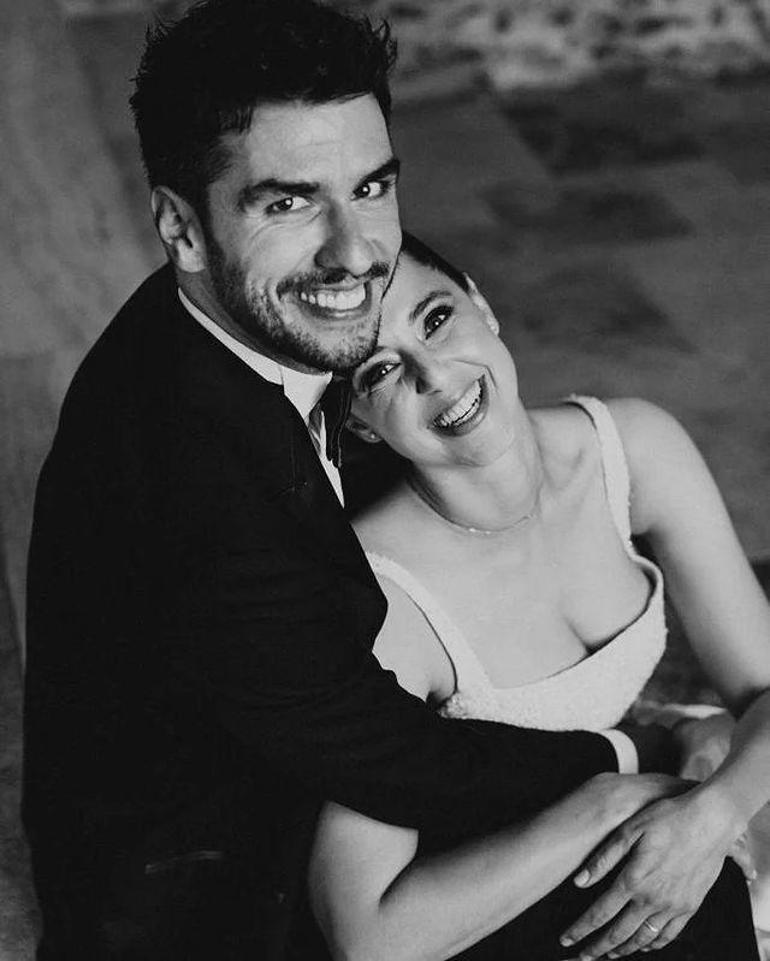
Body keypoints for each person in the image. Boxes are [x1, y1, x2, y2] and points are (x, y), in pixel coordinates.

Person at [21, 3, 657, 959]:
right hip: (215, 904)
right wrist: (627, 757)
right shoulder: (196, 484)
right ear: (180, 227)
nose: (356, 251)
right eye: (288, 204)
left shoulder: (220, 326)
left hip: (286, 772)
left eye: (370, 187)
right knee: (670, 898)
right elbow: (387, 752)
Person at [308, 234, 770, 961]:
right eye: (382, 370)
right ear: (358, 421)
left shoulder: (632, 445)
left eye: (436, 319)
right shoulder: (382, 604)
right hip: (498, 877)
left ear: (482, 305)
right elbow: (371, 937)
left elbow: (766, 687)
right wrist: (609, 802)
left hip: (639, 769)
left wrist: (709, 814)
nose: (437, 376)